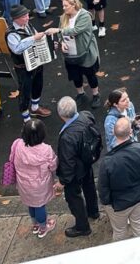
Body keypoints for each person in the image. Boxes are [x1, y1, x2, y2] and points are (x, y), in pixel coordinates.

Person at [98, 116, 140, 241]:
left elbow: (103, 188)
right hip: (139, 197)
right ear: (130, 132)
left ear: (113, 132)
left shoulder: (107, 162)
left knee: (119, 231)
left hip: (118, 204)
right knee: (139, 226)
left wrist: (108, 203)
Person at [55, 96, 101, 238]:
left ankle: (82, 226)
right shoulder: (86, 116)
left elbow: (67, 163)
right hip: (87, 161)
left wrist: (63, 181)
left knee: (73, 197)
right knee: (89, 187)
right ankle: (93, 211)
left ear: (61, 115)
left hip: (76, 170)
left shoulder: (67, 137)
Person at [9, 119, 58, 239]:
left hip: (23, 183)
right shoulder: (46, 149)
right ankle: (43, 227)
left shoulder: (17, 144)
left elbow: (11, 158)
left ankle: (35, 225)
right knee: (40, 205)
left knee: (30, 204)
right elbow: (53, 166)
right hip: (40, 184)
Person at [6, 5, 53, 122]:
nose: (27, 18)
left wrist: (50, 45)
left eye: (27, 15)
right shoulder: (11, 34)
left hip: (36, 63)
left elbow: (39, 38)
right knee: (25, 91)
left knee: (38, 85)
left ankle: (35, 107)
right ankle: (26, 117)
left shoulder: (28, 25)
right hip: (23, 68)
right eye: (24, 16)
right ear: (16, 18)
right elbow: (17, 49)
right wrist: (33, 38)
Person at [58, 0, 102, 109]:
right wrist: (61, 42)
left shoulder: (85, 16)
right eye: (63, 6)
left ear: (74, 5)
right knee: (75, 76)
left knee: (90, 75)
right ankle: (81, 94)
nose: (64, 8)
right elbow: (60, 34)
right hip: (70, 54)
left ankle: (96, 95)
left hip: (85, 53)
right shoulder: (63, 18)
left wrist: (59, 30)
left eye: (66, 6)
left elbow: (75, 30)